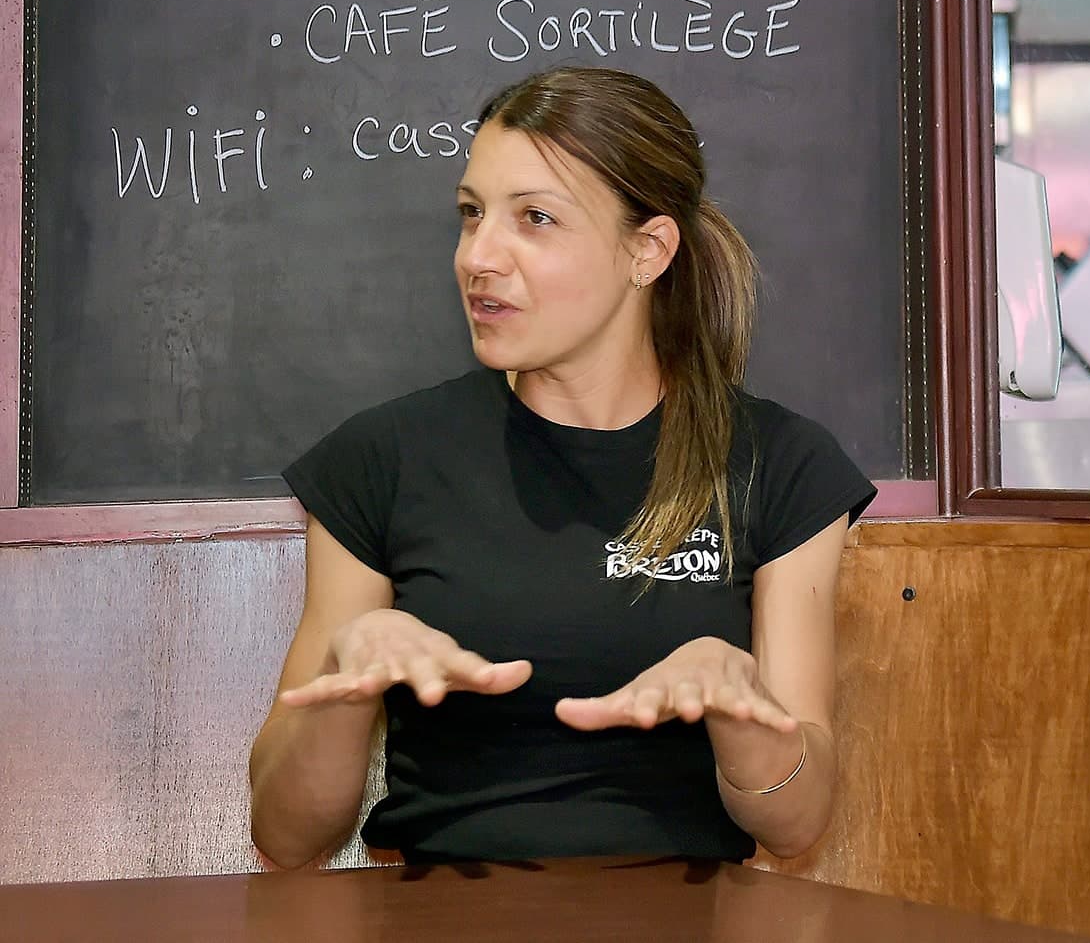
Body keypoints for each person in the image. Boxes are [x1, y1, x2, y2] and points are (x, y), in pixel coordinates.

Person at [248, 66, 876, 868]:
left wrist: (740, 706)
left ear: (646, 251)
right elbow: (286, 835)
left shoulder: (780, 467)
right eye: (471, 215)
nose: (479, 256)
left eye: (534, 219)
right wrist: (348, 675)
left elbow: (797, 823)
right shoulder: (380, 462)